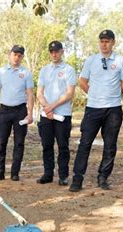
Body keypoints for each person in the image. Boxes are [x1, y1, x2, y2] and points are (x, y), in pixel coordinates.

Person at [69, 30, 123, 192]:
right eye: (102, 41)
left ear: (113, 42)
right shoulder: (91, 60)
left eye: (107, 41)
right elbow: (82, 81)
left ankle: (103, 177)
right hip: (93, 109)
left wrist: (112, 96)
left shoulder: (121, 60)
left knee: (110, 145)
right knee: (84, 143)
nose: (104, 44)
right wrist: (95, 94)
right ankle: (77, 178)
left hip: (113, 110)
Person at [0, 45, 34, 181]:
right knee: (1, 142)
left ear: (22, 57)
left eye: (20, 55)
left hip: (20, 111)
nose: (17, 57)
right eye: (14, 54)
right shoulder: (1, 71)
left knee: (19, 142)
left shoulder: (26, 73)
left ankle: (15, 173)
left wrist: (30, 113)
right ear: (10, 55)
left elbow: (30, 93)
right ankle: (0, 172)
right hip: (4, 110)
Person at [36, 41, 76, 186]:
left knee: (63, 146)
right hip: (46, 114)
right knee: (47, 145)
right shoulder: (44, 70)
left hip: (62, 114)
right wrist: (47, 108)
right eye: (52, 51)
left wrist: (52, 107)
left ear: (62, 52)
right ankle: (48, 174)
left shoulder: (69, 70)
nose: (54, 54)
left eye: (57, 51)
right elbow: (39, 92)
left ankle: (63, 176)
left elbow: (70, 93)